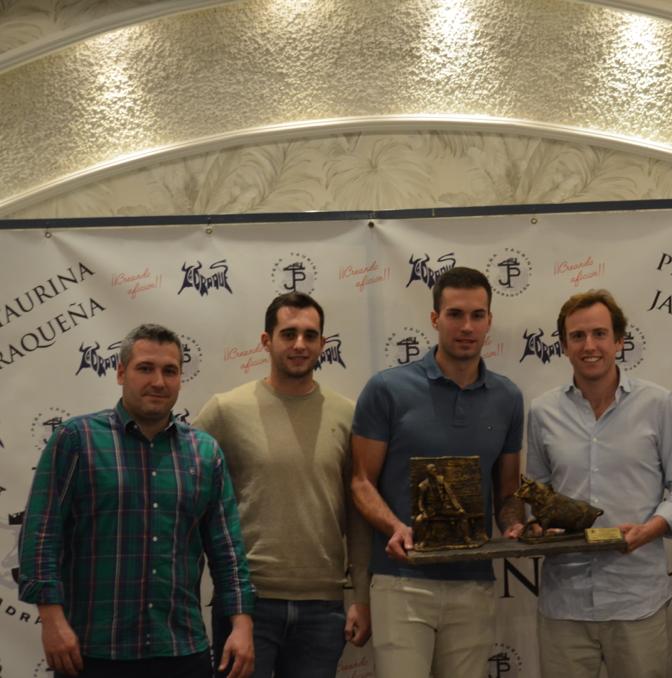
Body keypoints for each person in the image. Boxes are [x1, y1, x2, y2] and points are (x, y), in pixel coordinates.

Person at [18, 324, 255, 678]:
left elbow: (227, 550)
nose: (158, 381)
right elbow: (41, 536)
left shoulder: (205, 453)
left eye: (170, 371)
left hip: (181, 649)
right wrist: (51, 620)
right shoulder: (76, 440)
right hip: (94, 651)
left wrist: (242, 624)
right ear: (120, 372)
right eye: (145, 368)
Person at [350, 266, 525, 678]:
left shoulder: (508, 397)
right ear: (434, 318)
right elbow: (360, 481)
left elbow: (508, 492)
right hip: (401, 579)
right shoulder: (386, 389)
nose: (467, 327)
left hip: (473, 580)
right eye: (455, 314)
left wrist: (515, 524)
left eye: (477, 315)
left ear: (489, 321)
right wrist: (395, 527)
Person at [194, 292, 371, 678]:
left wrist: (360, 596)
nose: (300, 344)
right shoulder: (226, 410)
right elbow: (187, 495)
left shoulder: (347, 414)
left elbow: (358, 515)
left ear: (323, 343)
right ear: (266, 340)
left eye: (310, 335)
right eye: (288, 334)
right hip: (246, 604)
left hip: (323, 607)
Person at [527, 289, 672, 678]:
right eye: (577, 336)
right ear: (564, 346)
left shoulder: (658, 404)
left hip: (637, 600)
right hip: (564, 604)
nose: (589, 346)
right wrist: (537, 524)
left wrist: (651, 528)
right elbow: (536, 492)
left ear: (619, 341)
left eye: (600, 334)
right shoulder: (541, 412)